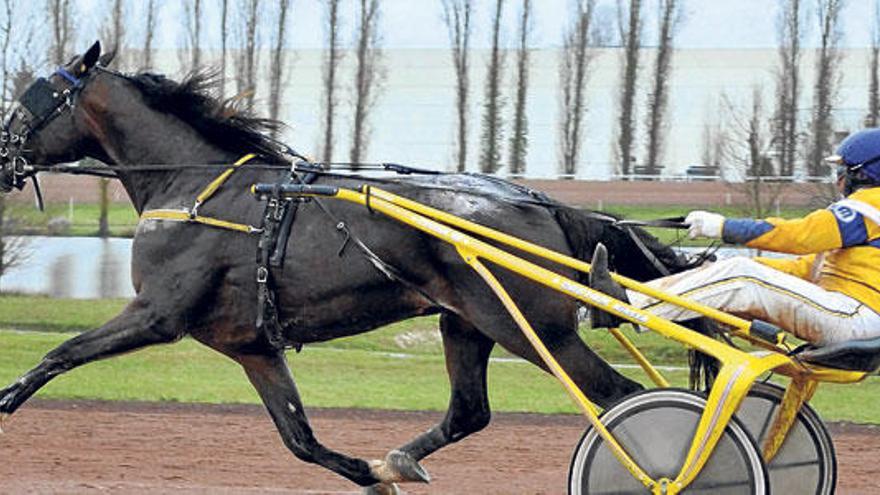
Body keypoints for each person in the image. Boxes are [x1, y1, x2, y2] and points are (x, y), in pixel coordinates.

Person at [590, 128, 880, 345]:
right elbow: (802, 269)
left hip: (854, 316)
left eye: (842, 169)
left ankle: (625, 306)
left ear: (864, 172)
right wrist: (715, 270)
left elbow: (801, 236)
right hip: (847, 313)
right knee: (738, 275)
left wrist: (723, 228)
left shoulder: (871, 203)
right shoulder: (863, 216)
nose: (838, 178)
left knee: (742, 275)